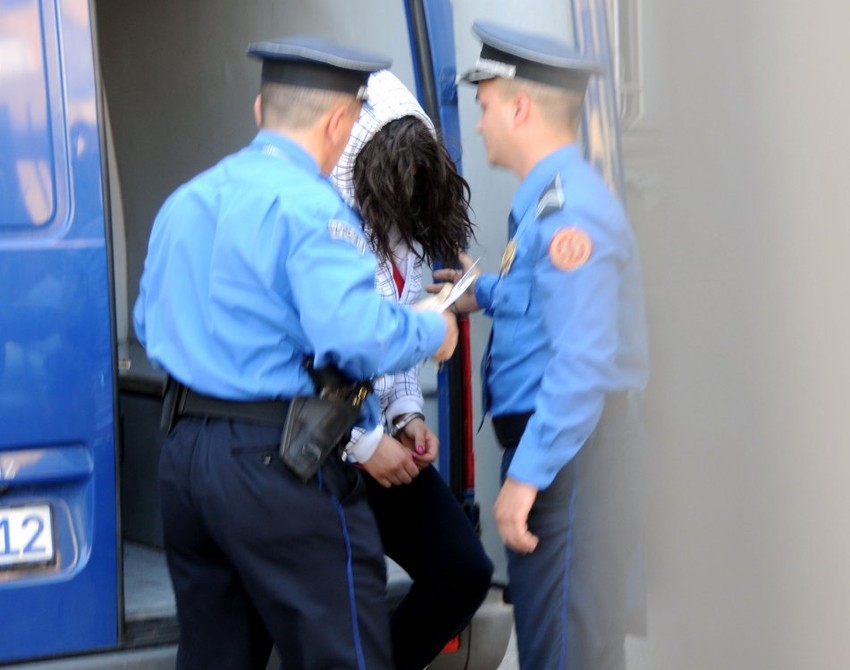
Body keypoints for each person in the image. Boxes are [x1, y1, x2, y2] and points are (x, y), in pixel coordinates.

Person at [132, 35, 459, 670]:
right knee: (346, 653)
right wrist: (431, 330)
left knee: (215, 657)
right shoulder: (314, 207)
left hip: (184, 458)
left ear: (261, 110)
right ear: (340, 121)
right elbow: (355, 335)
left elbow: (149, 323)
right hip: (276, 461)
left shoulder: (187, 199)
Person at [432, 20, 650, 670]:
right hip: (565, 451)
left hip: (569, 457)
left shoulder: (566, 214)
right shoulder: (546, 205)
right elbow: (543, 300)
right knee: (568, 645)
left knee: (562, 650)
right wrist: (481, 292)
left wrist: (527, 476)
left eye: (485, 106)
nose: (478, 125)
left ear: (520, 108)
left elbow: (582, 360)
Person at [329, 69, 493, 670]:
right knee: (334, 610)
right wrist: (365, 442)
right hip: (324, 443)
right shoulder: (327, 222)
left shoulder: (399, 219)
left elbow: (393, 331)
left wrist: (406, 415)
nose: (402, 216)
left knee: (464, 570)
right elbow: (323, 351)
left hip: (375, 435)